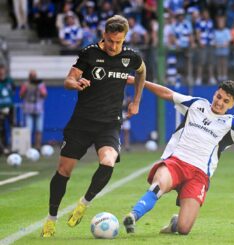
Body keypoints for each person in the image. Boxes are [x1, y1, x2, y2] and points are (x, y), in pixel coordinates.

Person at [122, 77, 234, 235]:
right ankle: (133, 215)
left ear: (231, 104)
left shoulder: (230, 123)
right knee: (158, 185)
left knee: (184, 229)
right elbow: (167, 93)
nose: (220, 102)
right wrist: (140, 82)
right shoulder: (196, 104)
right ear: (214, 94)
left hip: (198, 176)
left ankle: (175, 223)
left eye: (226, 100)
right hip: (176, 163)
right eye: (218, 97)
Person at [41, 15, 146, 237]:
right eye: (110, 41)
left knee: (108, 162)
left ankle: (84, 203)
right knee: (64, 171)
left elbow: (142, 71)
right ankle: (51, 219)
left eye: (118, 42)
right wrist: (76, 83)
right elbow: (69, 79)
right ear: (104, 36)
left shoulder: (131, 57)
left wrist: (136, 101)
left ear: (125, 38)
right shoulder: (89, 53)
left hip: (109, 124)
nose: (114, 46)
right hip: (81, 123)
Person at [19, 69, 47, 150]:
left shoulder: (41, 84)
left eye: (34, 76)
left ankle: (37, 146)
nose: (33, 78)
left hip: (39, 109)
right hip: (28, 109)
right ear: (29, 77)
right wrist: (26, 89)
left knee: (39, 129)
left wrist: (39, 87)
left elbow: (45, 95)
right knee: (29, 129)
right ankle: (28, 146)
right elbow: (21, 95)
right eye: (32, 76)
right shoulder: (25, 84)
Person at [0, 64, 15, 155]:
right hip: (0, 108)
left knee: (12, 127)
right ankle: (3, 147)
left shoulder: (9, 81)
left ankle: (13, 146)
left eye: (2, 69)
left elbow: (13, 90)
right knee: (1, 129)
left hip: (10, 107)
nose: (1, 71)